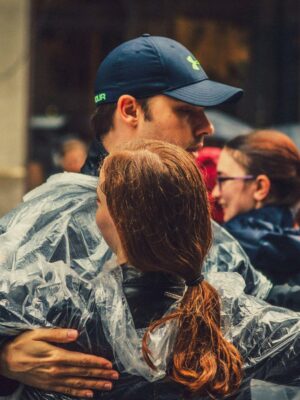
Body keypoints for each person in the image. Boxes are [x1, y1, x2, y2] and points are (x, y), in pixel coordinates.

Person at [0, 35, 289, 397]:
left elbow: (266, 300)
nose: (207, 128)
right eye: (186, 111)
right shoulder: (46, 225)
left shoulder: (200, 225)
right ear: (130, 110)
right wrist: (5, 358)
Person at [212, 130, 300, 288]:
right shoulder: (292, 239)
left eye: (222, 179)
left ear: (260, 187)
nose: (215, 193)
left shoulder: (227, 246)